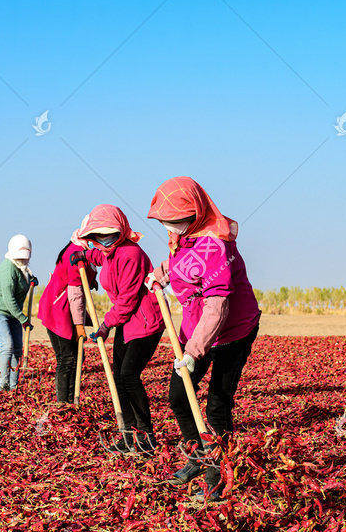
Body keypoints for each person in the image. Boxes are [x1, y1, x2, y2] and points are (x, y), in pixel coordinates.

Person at [146, 176, 260, 501]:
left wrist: (194, 351)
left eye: (176, 219)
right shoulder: (184, 237)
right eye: (165, 220)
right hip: (197, 326)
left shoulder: (215, 245)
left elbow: (218, 306)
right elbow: (181, 263)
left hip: (232, 330)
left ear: (194, 213)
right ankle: (198, 457)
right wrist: (160, 275)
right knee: (179, 396)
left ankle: (218, 474)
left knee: (216, 407)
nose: (170, 226)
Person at [69, 205, 165, 454]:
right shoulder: (109, 251)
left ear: (120, 231)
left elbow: (127, 300)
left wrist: (104, 326)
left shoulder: (130, 254)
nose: (103, 241)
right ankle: (128, 434)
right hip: (127, 322)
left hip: (145, 321)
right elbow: (103, 257)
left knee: (130, 375)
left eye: (108, 235)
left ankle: (146, 436)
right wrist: (86, 257)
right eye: (98, 237)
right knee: (119, 377)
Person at [37, 240, 98, 406]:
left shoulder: (86, 250)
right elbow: (75, 293)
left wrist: (92, 280)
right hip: (58, 309)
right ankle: (63, 403)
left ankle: (71, 399)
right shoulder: (76, 253)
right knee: (67, 358)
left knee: (77, 356)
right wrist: (79, 326)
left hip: (68, 309)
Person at [0, 235, 38, 391]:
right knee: (6, 345)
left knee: (17, 349)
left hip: (13, 312)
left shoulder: (23, 269)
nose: (23, 261)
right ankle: (3, 385)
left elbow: (24, 277)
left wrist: (31, 280)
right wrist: (23, 319)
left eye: (25, 258)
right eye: (20, 258)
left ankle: (14, 386)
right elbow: (8, 299)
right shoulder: (8, 269)